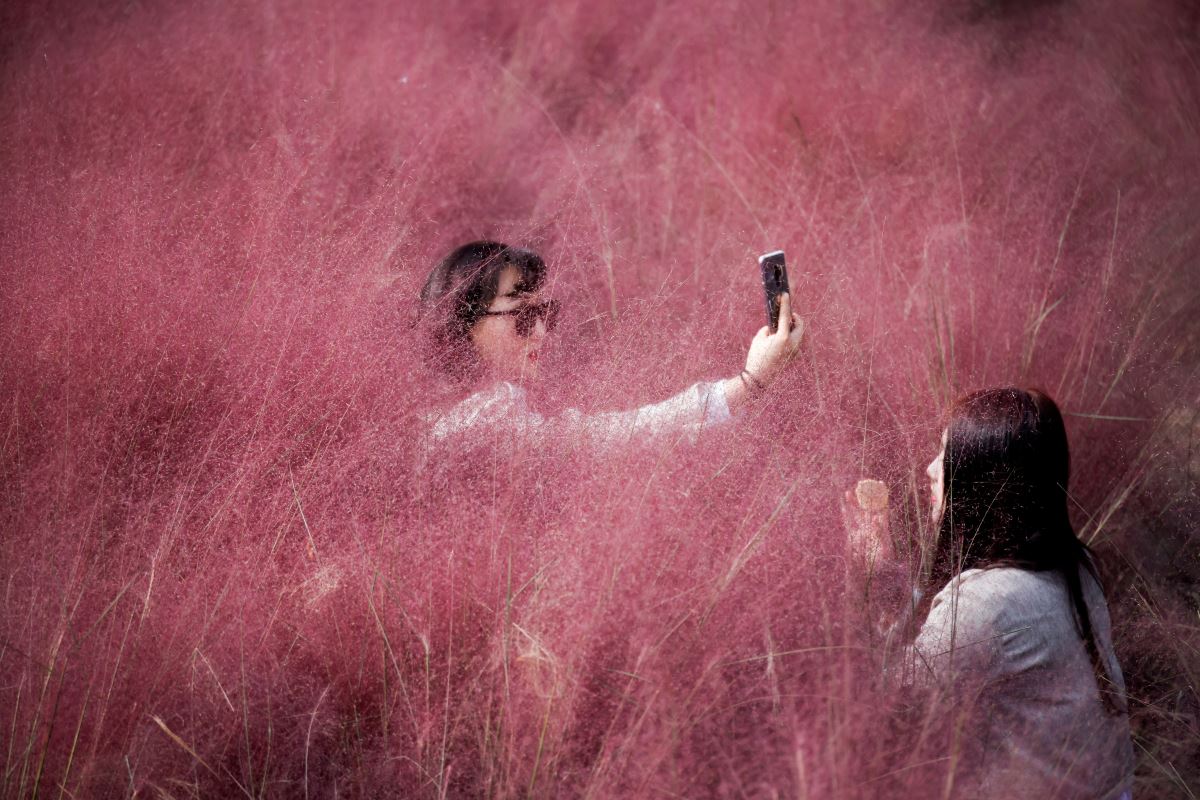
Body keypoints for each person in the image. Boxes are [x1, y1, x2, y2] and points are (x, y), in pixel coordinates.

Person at [846, 387, 1135, 800]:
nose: (929, 469)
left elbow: (884, 698)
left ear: (984, 484)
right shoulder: (1074, 564)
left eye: (946, 456)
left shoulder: (990, 606)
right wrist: (891, 574)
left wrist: (871, 581)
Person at [418, 240, 803, 449]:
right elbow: (620, 441)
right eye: (521, 316)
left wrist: (748, 385)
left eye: (546, 313)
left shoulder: (483, 414)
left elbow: (613, 432)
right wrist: (752, 382)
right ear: (460, 326)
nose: (540, 332)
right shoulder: (480, 421)